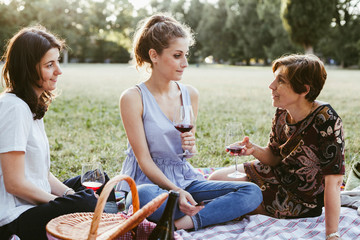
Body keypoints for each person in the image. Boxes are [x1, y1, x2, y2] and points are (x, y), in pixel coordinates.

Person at [115, 13, 262, 231]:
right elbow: (144, 161)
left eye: (186, 55)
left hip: (185, 178)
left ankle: (181, 222)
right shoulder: (133, 98)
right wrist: (176, 191)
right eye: (177, 56)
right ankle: (203, 209)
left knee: (252, 192)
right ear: (154, 55)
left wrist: (190, 148)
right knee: (145, 198)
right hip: (149, 182)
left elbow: (186, 154)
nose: (185, 63)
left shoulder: (190, 94)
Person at [209, 54, 345, 240]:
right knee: (215, 180)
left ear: (304, 89)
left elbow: (334, 182)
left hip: (301, 198)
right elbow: (274, 157)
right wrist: (253, 149)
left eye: (280, 81)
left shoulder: (327, 120)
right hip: (276, 174)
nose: (271, 86)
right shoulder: (282, 111)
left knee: (237, 200)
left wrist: (332, 234)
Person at [0, 26, 116, 240]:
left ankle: (106, 223)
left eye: (57, 62)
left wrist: (68, 195)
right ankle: (107, 226)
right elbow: (14, 183)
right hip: (16, 217)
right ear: (28, 68)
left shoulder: (29, 105)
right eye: (49, 65)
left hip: (34, 199)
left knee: (102, 181)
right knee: (89, 201)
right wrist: (68, 202)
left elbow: (40, 173)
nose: (59, 71)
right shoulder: (13, 108)